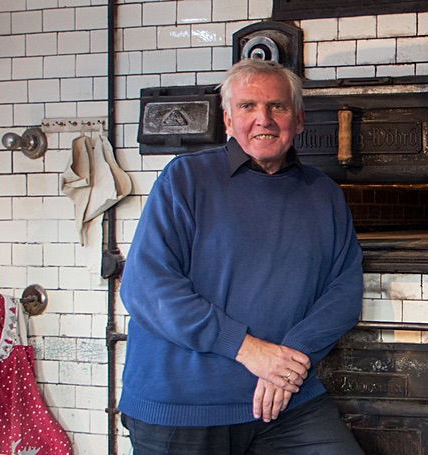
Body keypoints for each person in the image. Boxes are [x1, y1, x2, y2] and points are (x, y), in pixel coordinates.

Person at [118, 59, 365, 454]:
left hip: (288, 400)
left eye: (277, 107)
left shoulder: (324, 195)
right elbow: (146, 287)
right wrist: (248, 350)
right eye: (248, 107)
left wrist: (288, 363)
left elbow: (344, 292)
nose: (263, 119)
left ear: (298, 120)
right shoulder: (184, 180)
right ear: (228, 121)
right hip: (184, 407)